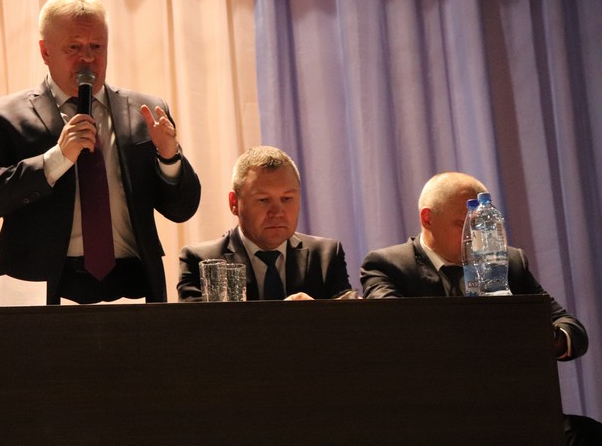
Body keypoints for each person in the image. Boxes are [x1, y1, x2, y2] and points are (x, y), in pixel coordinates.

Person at [0, 0, 201, 304]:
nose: (87, 58)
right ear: (45, 51)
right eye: (74, 47)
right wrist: (56, 159)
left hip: (132, 289)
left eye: (96, 46)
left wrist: (170, 158)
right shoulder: (3, 116)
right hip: (38, 292)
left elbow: (182, 209)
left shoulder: (145, 112)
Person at [360, 171, 600, 446]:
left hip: (510, 410)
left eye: (480, 226)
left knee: (587, 435)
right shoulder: (388, 265)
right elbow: (393, 332)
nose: (474, 237)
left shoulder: (507, 261)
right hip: (432, 413)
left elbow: (571, 329)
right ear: (427, 219)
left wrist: (547, 338)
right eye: (462, 225)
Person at [178, 146, 354, 302]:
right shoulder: (202, 261)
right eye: (263, 200)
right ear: (234, 203)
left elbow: (347, 321)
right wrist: (287, 317)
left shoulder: (325, 255)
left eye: (287, 199)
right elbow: (198, 326)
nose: (277, 212)